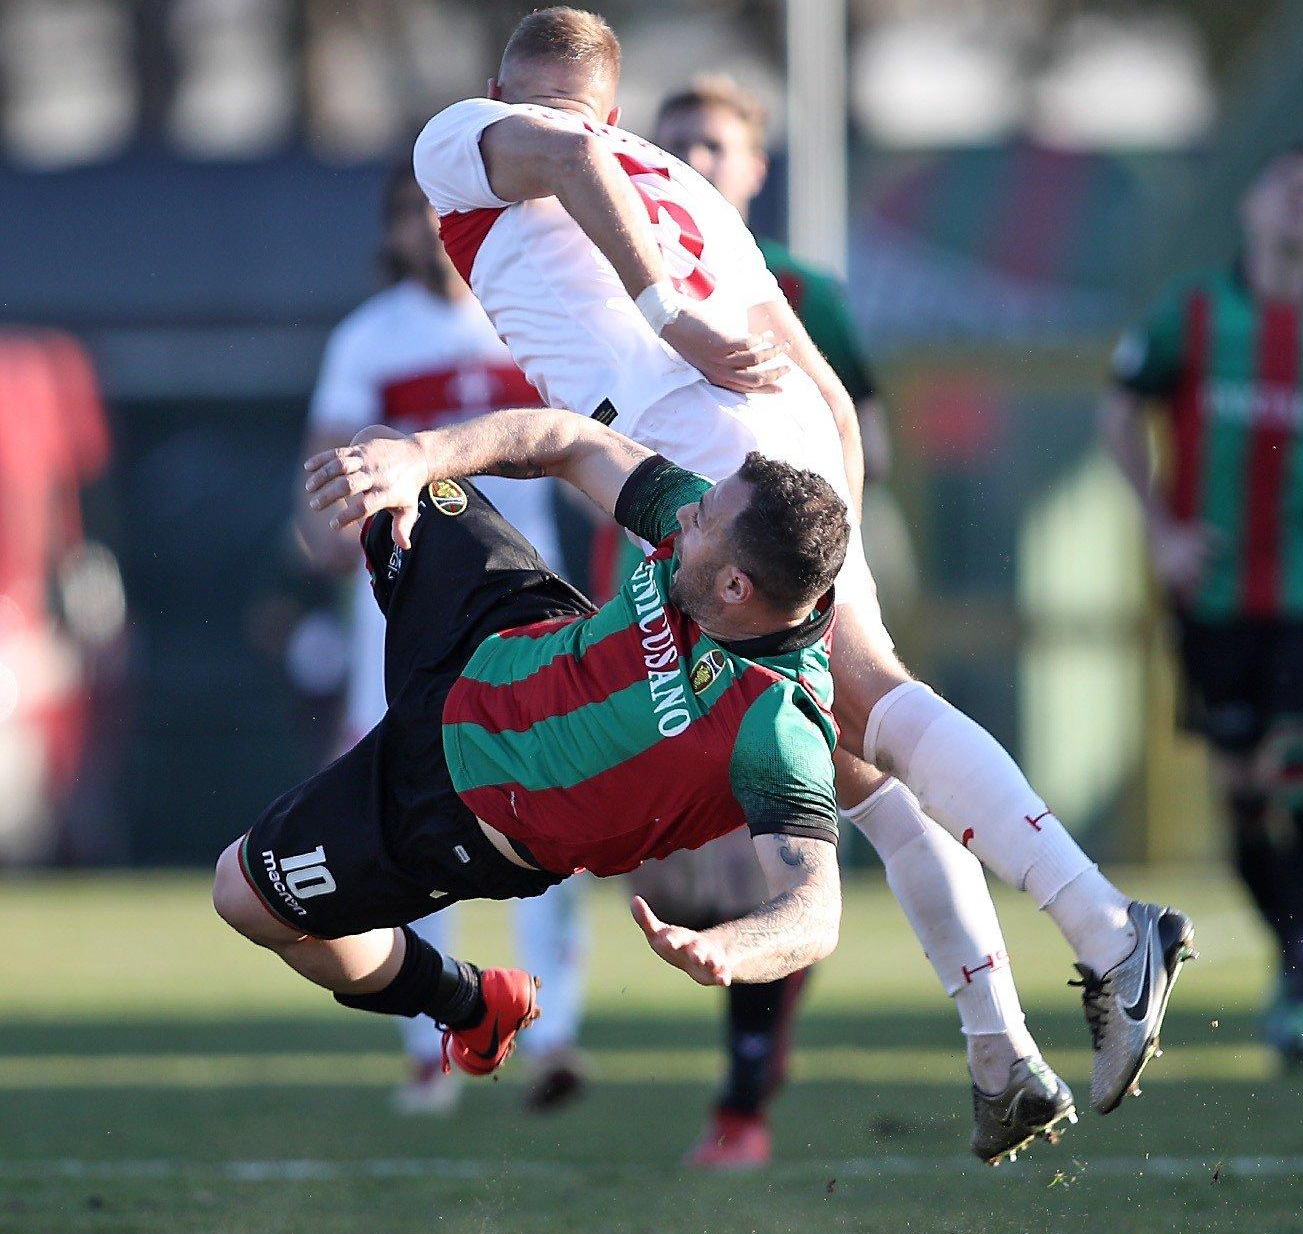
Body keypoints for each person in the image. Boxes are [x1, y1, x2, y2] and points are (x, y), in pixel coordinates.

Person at [410, 7, 1194, 1163]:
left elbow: (566, 153)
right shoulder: (675, 179)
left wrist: (666, 318)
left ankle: (1107, 930)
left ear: (505, 88)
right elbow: (827, 392)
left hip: (698, 445)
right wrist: (841, 530)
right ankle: (1000, 1053)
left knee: (868, 705)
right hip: (788, 433)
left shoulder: (473, 134)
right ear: (625, 108)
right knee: (863, 754)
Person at [212, 409, 853, 1074]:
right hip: (494, 630)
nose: (685, 515)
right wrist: (422, 457)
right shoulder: (709, 523)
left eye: (700, 524)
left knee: (242, 893)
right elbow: (573, 441)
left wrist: (735, 949)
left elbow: (816, 909)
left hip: (460, 806)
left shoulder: (777, 721)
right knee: (377, 457)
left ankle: (469, 1002)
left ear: (734, 587)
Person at [573, 74, 889, 1169]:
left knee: (786, 840)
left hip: (777, 616)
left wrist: (817, 565)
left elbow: (864, 442)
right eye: (673, 146)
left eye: (714, 147)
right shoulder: (611, 281)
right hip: (656, 602)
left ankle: (746, 1091)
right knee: (663, 865)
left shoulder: (800, 291)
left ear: (754, 169)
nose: (693, 164)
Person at [301, 167, 589, 1117]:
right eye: (410, 219)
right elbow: (330, 476)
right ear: (391, 235)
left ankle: (553, 1030)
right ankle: (434, 1032)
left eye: (445, 215)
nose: (430, 234)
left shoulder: (535, 321)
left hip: (520, 613)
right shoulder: (367, 338)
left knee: (546, 811)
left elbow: (590, 452)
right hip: (404, 615)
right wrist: (335, 540)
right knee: (401, 818)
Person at [1101, 142, 1303, 1071]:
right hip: (1215, 589)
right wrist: (1160, 528)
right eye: (1291, 187)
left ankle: (1300, 986)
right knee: (1241, 794)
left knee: (1300, 772)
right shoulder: (1191, 313)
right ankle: (1292, 960)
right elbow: (1119, 410)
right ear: (1255, 203)